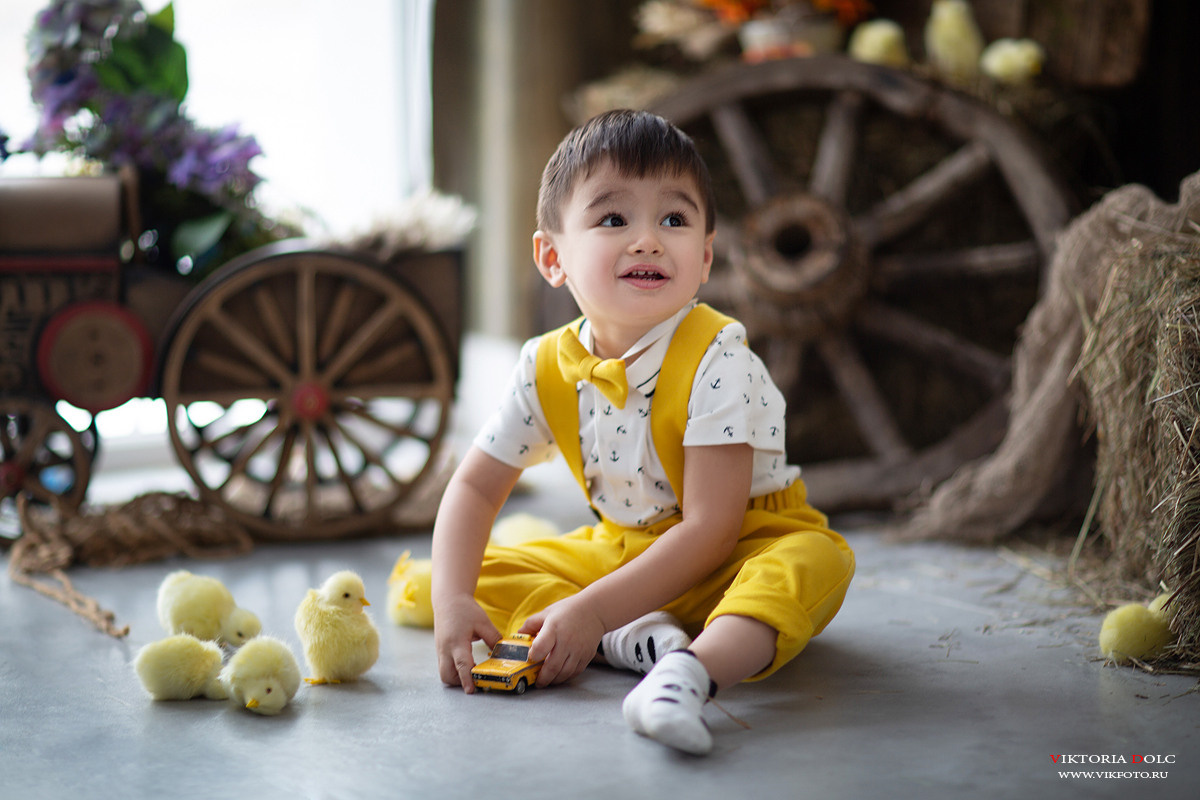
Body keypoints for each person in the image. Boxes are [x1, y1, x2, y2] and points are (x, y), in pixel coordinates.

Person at [431, 108, 854, 755]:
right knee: (465, 577)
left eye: (675, 219)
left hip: (737, 547)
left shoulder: (720, 360)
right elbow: (475, 489)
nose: (648, 240)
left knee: (812, 564)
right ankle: (635, 638)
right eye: (613, 218)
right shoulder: (544, 364)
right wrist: (453, 601)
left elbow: (711, 530)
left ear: (706, 256)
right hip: (624, 548)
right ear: (552, 256)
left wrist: (593, 606)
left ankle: (688, 674)